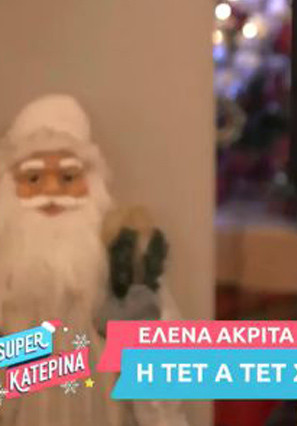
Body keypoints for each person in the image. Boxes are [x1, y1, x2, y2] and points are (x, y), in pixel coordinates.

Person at [0, 94, 187, 426]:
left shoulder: (122, 256)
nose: (51, 191)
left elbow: (161, 365)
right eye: (34, 178)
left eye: (68, 177)